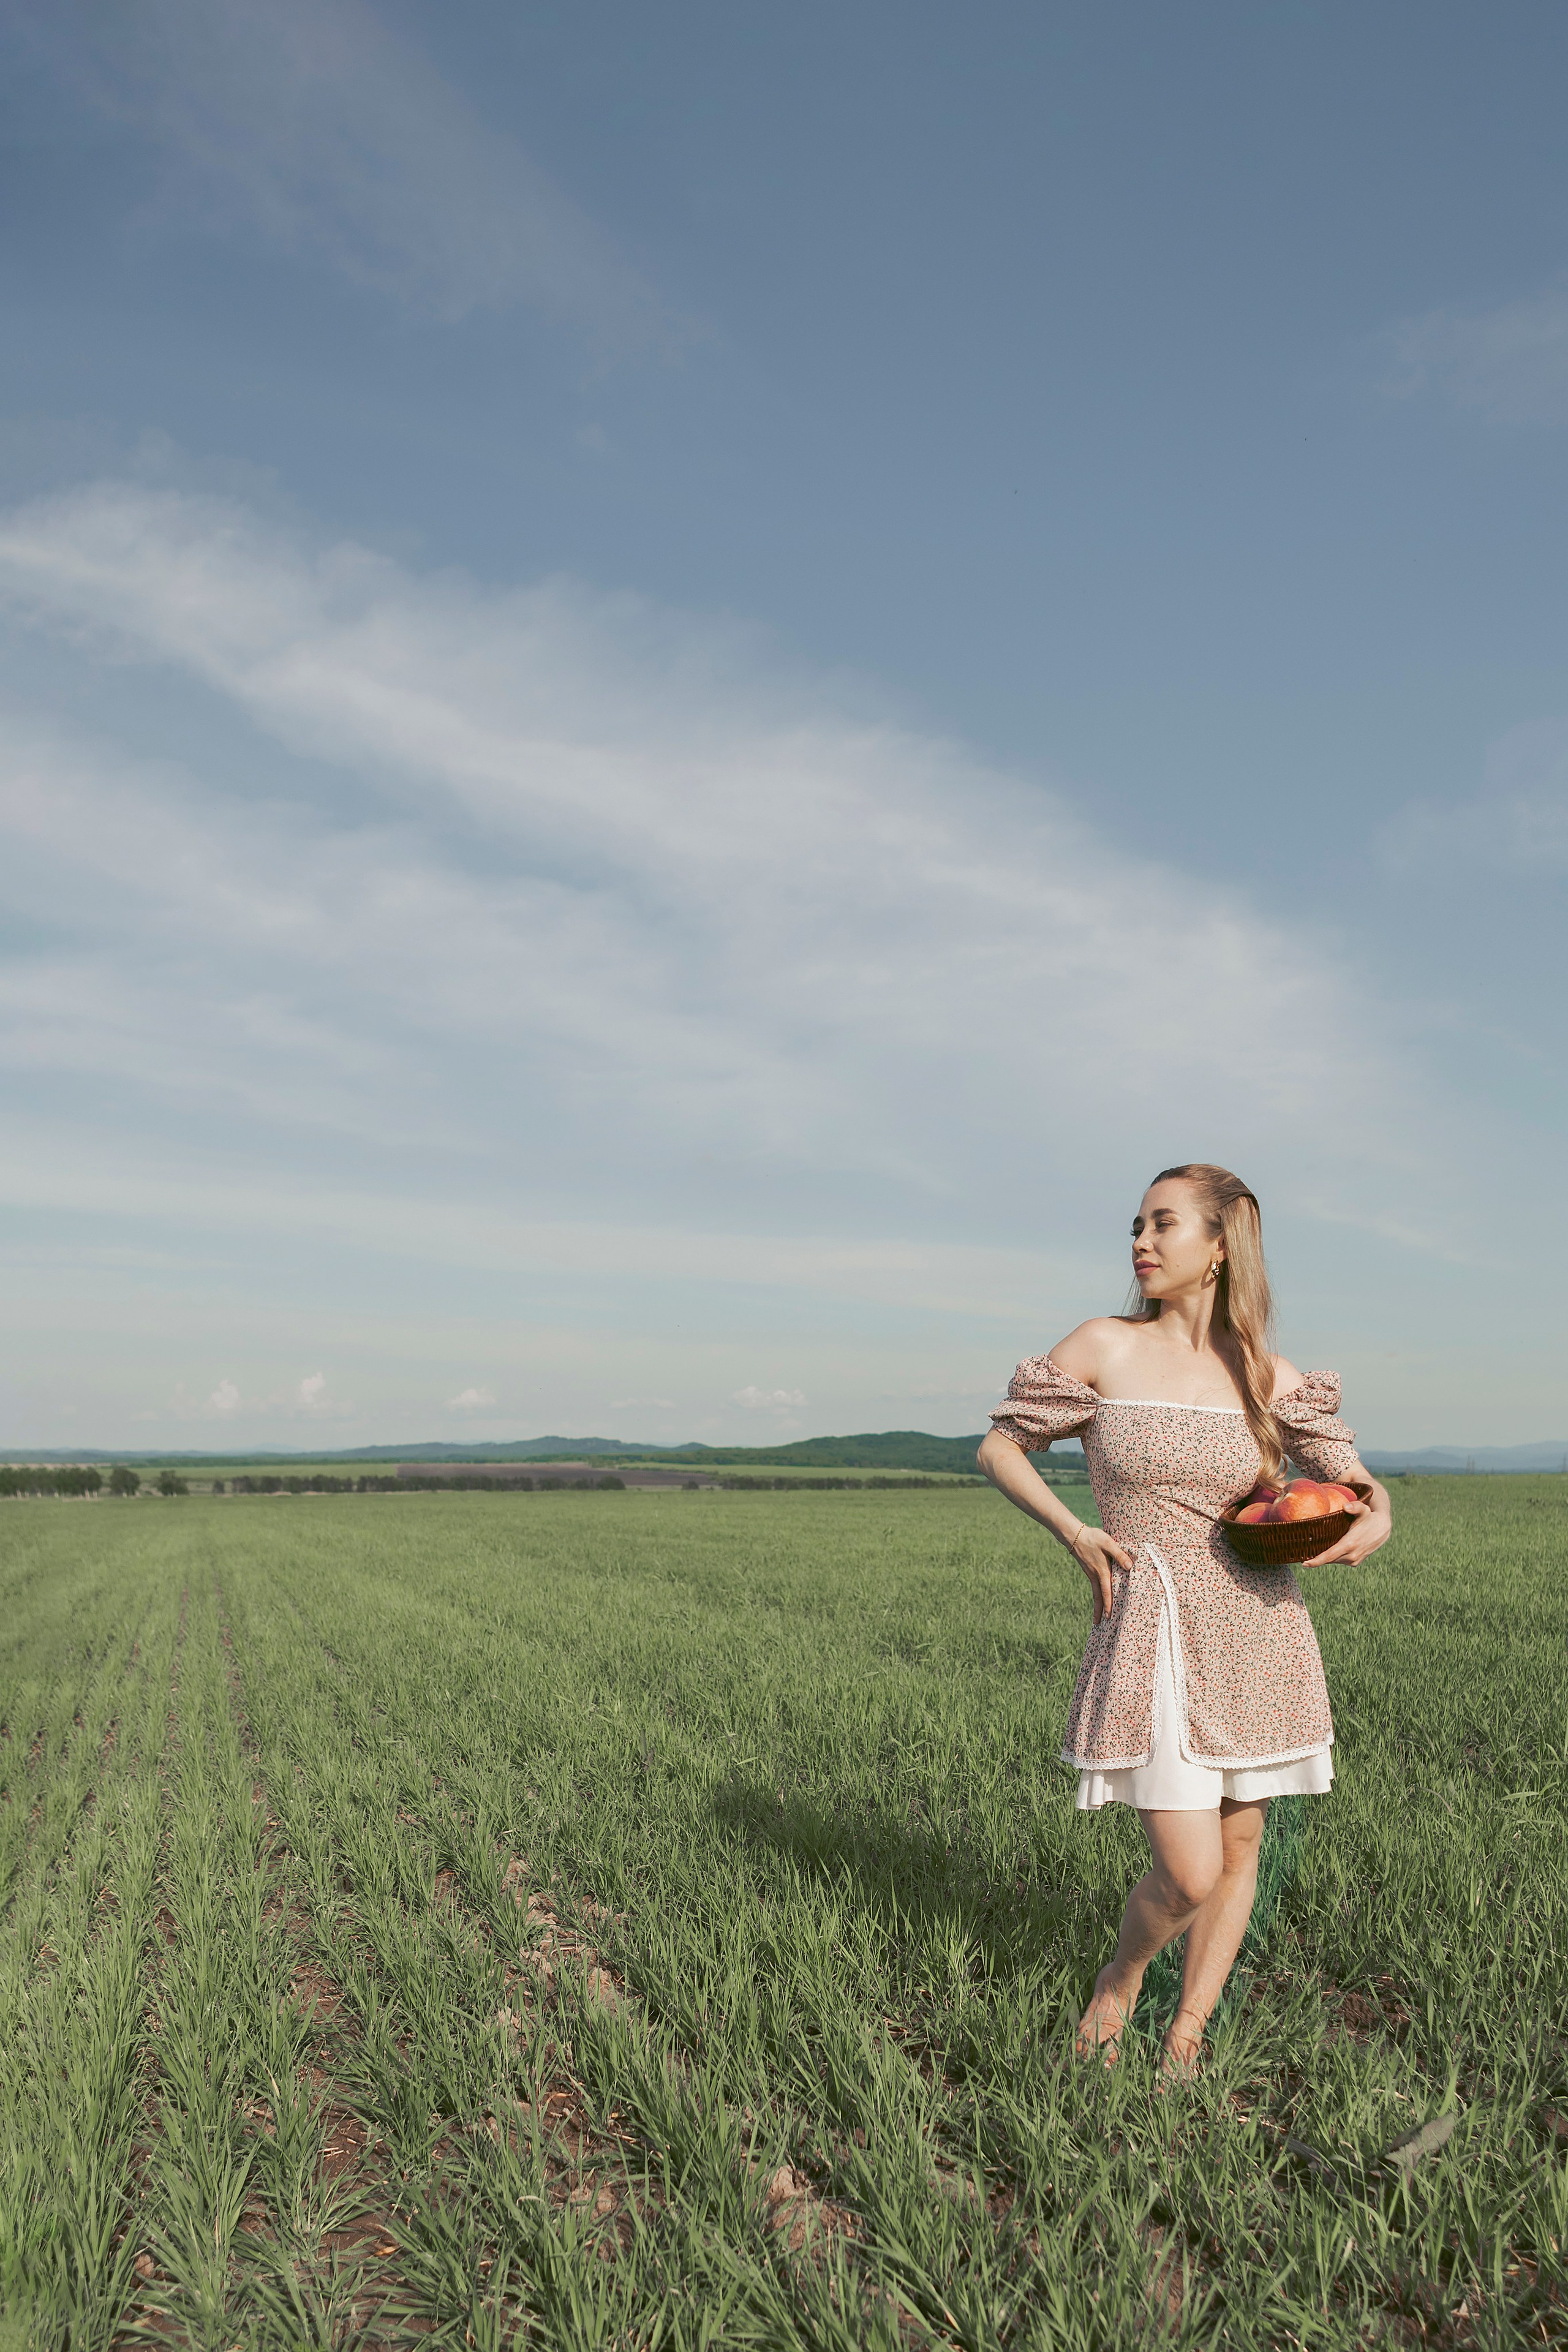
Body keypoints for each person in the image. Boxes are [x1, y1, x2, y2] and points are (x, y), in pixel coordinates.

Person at [976, 1163, 1392, 2078]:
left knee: (1242, 1843)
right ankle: (1122, 1978)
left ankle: (1187, 2033)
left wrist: (1380, 1511)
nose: (1141, 1241)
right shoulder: (1104, 1346)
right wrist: (1076, 1531)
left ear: (1219, 1245)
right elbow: (1001, 1446)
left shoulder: (1266, 1372)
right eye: (1137, 1224)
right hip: (1150, 1624)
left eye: (1164, 1224)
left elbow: (1355, 1478)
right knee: (1190, 1870)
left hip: (1259, 1626)